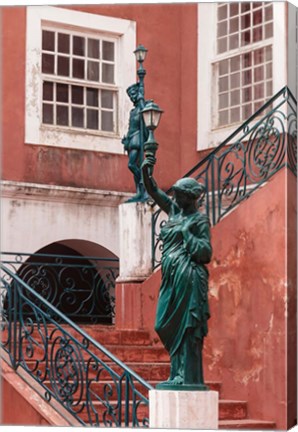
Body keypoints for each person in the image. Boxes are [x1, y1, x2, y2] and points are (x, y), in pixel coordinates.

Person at [142, 155, 212, 389]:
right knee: (163, 324)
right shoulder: (173, 211)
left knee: (186, 328)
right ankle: (178, 373)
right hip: (170, 277)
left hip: (189, 276)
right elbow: (153, 191)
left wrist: (188, 235)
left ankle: (184, 376)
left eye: (179, 194)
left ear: (190, 197)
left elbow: (206, 252)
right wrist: (146, 171)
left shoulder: (198, 220)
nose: (175, 197)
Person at [122, 83, 148, 202]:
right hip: (131, 138)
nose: (132, 97)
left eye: (133, 94)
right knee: (135, 165)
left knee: (131, 165)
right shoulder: (133, 112)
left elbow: (145, 114)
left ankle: (144, 184)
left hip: (138, 139)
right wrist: (126, 139)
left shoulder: (144, 107)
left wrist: (141, 98)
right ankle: (139, 191)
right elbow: (130, 126)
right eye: (130, 96)